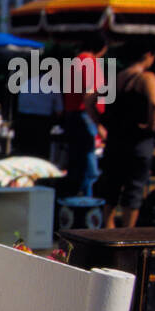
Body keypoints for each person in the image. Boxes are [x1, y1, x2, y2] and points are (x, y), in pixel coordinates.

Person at [97, 41, 155, 228]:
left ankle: (108, 231)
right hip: (138, 140)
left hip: (115, 139)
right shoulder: (147, 77)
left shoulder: (117, 78)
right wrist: (151, 125)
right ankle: (127, 234)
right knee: (134, 188)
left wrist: (100, 125)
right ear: (149, 55)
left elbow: (90, 99)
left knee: (111, 187)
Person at [60, 33, 108, 198]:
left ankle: (70, 205)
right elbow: (89, 96)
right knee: (89, 169)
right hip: (85, 116)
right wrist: (98, 125)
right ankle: (87, 208)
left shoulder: (74, 62)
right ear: (101, 48)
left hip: (73, 116)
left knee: (76, 167)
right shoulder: (90, 62)